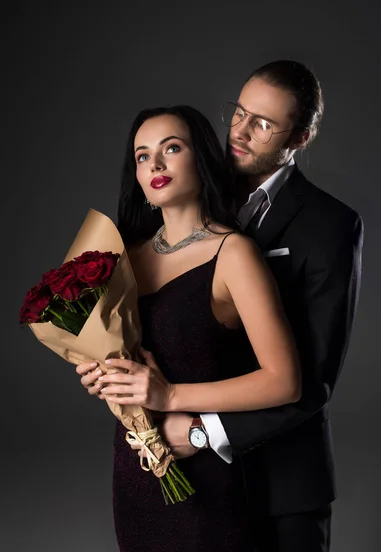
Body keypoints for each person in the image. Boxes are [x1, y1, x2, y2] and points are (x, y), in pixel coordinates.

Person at [97, 60, 363, 552]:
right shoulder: (175, 215)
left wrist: (199, 430)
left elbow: (312, 379)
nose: (239, 132)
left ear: (300, 138)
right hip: (165, 465)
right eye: (238, 113)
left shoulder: (328, 226)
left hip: (281, 476)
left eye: (263, 124)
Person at [77, 104, 302, 551]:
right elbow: (123, 356)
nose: (155, 164)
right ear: (137, 176)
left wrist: (172, 396)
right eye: (142, 156)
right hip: (137, 466)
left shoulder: (234, 254)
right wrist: (102, 375)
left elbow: (285, 381)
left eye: (171, 148)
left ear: (200, 158)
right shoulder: (124, 258)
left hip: (202, 469)